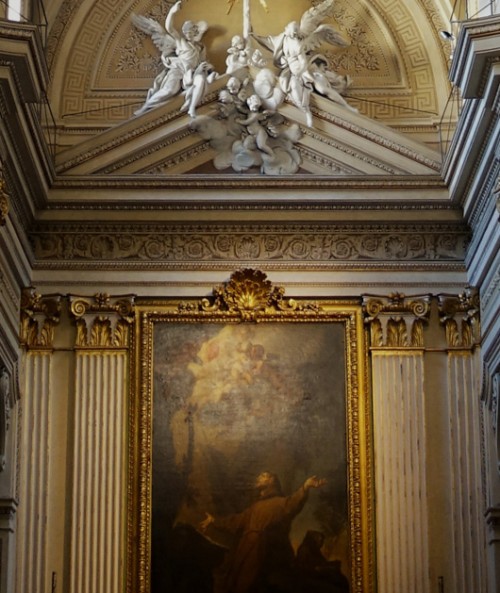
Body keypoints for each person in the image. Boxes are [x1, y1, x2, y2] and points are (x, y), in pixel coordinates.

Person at [200, 472, 326, 593]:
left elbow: (294, 502)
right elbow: (234, 521)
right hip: (245, 552)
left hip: (264, 555)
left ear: (271, 481)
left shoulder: (280, 503)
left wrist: (305, 486)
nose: (259, 477)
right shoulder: (254, 508)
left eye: (264, 475)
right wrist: (214, 520)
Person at [133, 1, 212, 116]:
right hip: (178, 70)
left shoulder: (199, 48)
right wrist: (172, 12)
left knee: (201, 80)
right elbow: (169, 28)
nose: (188, 35)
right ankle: (146, 108)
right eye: (186, 32)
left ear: (195, 32)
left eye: (191, 32)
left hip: (191, 73)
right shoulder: (180, 42)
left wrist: (204, 68)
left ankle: (191, 106)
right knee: (170, 90)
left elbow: (201, 62)